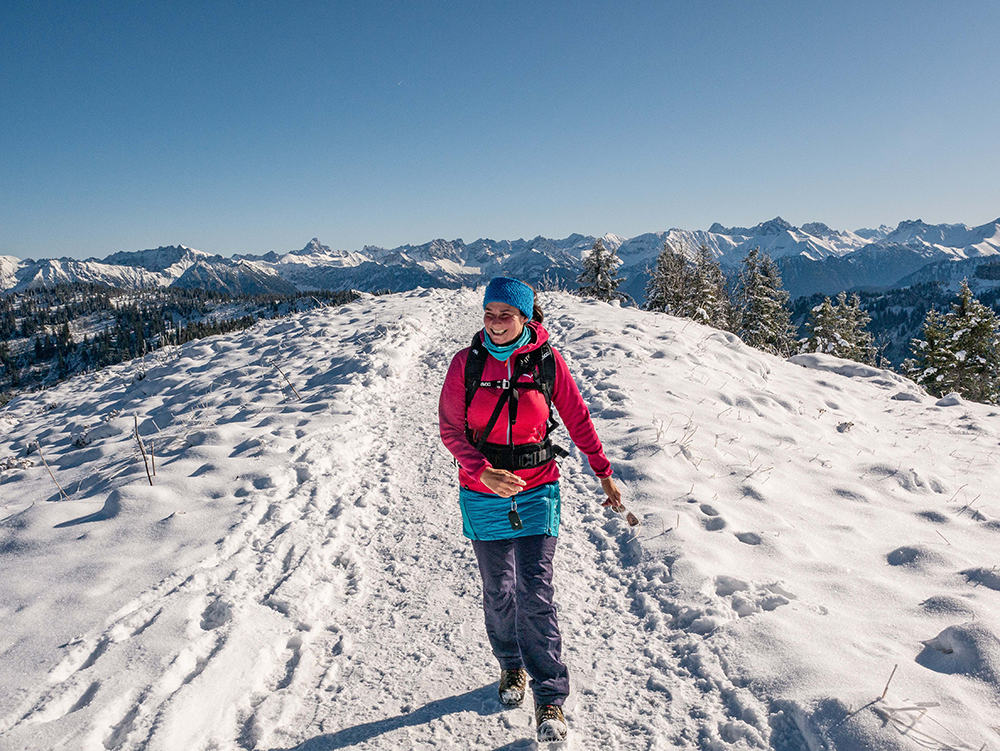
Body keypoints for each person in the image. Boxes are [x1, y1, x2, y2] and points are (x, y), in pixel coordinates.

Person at [438, 277, 622, 743]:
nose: (496, 323)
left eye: (507, 314)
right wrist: (483, 473)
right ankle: (510, 666)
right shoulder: (467, 363)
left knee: (534, 591)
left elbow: (578, 417)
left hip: (538, 490)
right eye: (489, 313)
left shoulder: (546, 360)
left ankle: (550, 699)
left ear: (525, 317)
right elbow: (450, 430)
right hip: (482, 493)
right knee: (498, 589)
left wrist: (603, 471)